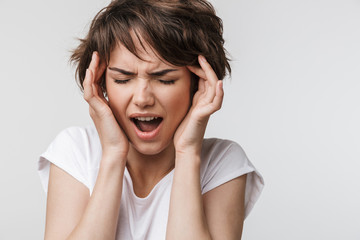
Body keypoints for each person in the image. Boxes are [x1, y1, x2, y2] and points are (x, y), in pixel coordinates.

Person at [38, 0, 264, 239]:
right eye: (123, 79)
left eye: (164, 80)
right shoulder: (76, 151)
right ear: (100, 83)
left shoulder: (223, 163)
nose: (142, 98)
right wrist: (114, 153)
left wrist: (187, 152)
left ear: (198, 84)